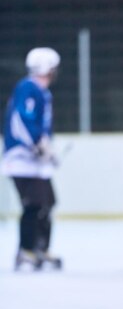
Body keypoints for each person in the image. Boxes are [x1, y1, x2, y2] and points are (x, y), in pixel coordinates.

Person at [1, 47, 62, 270]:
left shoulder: (42, 92)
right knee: (33, 204)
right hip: (21, 159)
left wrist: (46, 149)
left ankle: (40, 248)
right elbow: (21, 120)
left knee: (48, 202)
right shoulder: (28, 88)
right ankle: (26, 250)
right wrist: (37, 144)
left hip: (35, 160)